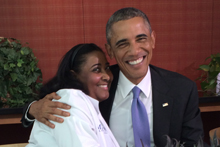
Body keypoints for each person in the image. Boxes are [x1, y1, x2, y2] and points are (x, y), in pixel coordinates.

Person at [22, 7, 204, 147]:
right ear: (110, 50)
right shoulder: (97, 84)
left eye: (141, 39)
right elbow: (59, 99)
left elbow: (193, 143)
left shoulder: (181, 89)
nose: (135, 51)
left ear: (153, 40)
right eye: (123, 43)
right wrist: (33, 109)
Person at [26, 43, 119, 147]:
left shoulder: (87, 102)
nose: (107, 76)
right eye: (96, 69)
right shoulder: (69, 102)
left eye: (107, 68)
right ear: (74, 76)